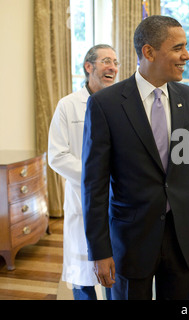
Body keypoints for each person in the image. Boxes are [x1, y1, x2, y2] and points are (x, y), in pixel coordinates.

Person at [81, 15, 189, 300]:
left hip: (182, 238)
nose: (186, 55)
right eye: (178, 48)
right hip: (131, 239)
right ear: (148, 52)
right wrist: (100, 251)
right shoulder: (105, 105)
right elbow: (94, 186)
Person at [48, 44, 119, 300]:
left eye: (115, 62)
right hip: (82, 200)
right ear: (89, 67)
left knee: (116, 276)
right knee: (83, 279)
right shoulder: (68, 106)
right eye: (106, 61)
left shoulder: (121, 104)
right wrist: (95, 176)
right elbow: (57, 155)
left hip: (118, 199)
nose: (113, 67)